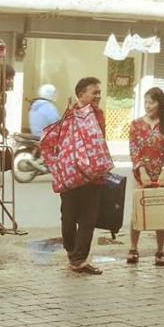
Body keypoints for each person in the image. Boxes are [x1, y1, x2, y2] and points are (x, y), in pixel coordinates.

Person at [58, 77, 110, 275]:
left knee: (88, 219)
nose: (98, 96)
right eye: (94, 92)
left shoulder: (100, 115)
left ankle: (79, 259)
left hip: (93, 176)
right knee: (69, 218)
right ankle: (72, 252)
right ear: (81, 95)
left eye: (99, 92)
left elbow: (100, 142)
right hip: (71, 176)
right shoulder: (70, 114)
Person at [127, 87, 164, 267]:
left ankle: (160, 250)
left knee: (161, 211)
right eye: (146, 102)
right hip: (142, 174)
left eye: (152, 102)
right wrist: (141, 171)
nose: (148, 106)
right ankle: (133, 248)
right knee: (138, 211)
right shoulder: (136, 124)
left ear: (160, 103)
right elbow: (134, 150)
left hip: (163, 174)